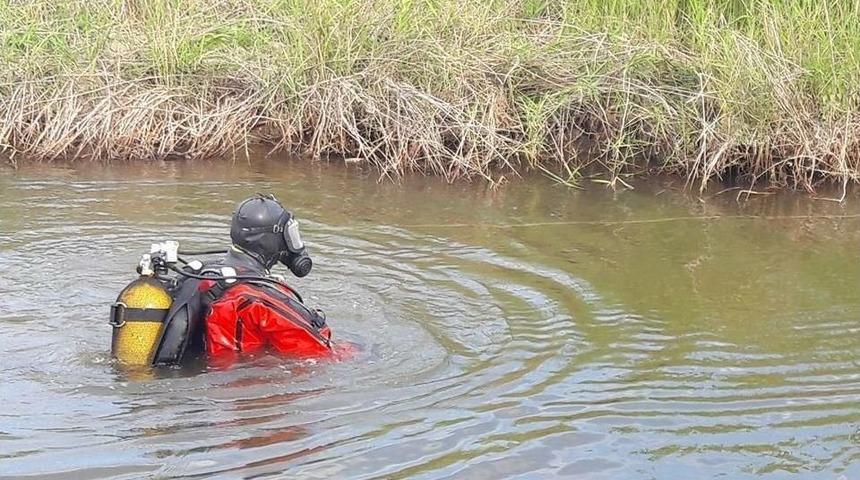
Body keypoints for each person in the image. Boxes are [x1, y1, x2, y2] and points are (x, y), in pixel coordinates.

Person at [148, 194, 338, 366]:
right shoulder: (258, 300)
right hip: (235, 391)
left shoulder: (199, 274)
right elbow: (321, 354)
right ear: (273, 239)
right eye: (289, 234)